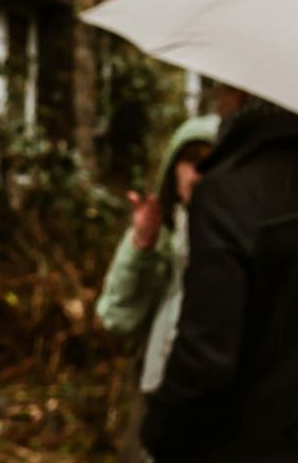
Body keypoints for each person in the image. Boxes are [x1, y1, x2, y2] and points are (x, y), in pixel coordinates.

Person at [140, 84, 298, 462]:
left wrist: (157, 430)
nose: (218, 108)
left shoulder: (228, 195)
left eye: (222, 94)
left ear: (241, 95)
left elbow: (205, 358)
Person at [95, 113, 220, 463]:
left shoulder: (243, 240)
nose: (199, 174)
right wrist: (141, 247)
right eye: (191, 161)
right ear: (173, 168)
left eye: (211, 163)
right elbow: (116, 316)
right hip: (157, 395)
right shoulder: (162, 236)